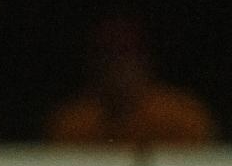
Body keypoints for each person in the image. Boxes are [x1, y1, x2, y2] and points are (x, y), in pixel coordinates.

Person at [45, 16, 217, 147]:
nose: (117, 67)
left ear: (145, 61)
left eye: (125, 55)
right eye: (107, 56)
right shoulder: (74, 123)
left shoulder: (181, 117)